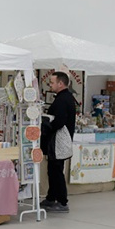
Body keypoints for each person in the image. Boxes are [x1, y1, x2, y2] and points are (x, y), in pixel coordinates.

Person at [42, 71, 77, 211]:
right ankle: (51, 197)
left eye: (52, 82)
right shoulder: (65, 97)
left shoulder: (63, 100)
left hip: (58, 141)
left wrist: (46, 125)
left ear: (60, 83)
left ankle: (62, 201)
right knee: (53, 169)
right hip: (58, 140)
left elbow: (59, 121)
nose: (50, 85)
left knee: (56, 170)